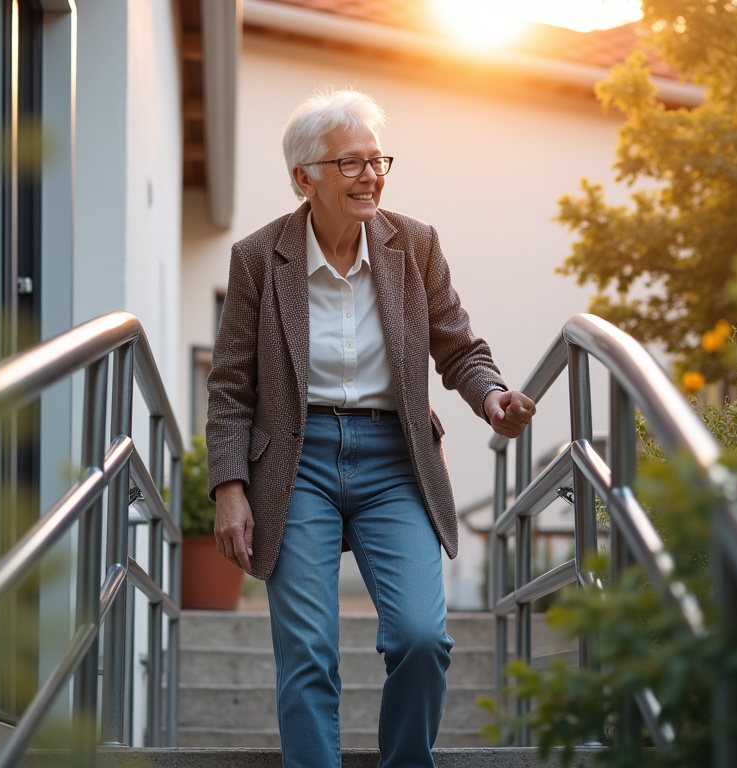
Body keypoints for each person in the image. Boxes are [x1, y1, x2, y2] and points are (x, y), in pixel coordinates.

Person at [205, 88, 534, 768]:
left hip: (396, 458)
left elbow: (459, 348)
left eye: (377, 160)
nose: (370, 175)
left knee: (421, 638)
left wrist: (493, 394)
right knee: (308, 653)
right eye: (350, 163)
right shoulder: (259, 259)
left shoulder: (414, 245)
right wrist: (229, 488)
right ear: (305, 178)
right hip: (297, 463)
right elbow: (232, 384)